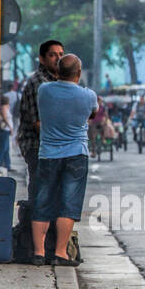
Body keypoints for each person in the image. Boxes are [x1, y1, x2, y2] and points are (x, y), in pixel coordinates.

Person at [31, 53, 96, 267]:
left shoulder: (44, 90)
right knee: (69, 205)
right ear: (78, 73)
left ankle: (38, 253)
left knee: (42, 201)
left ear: (57, 72)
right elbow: (92, 114)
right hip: (76, 154)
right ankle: (60, 253)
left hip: (48, 154)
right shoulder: (88, 96)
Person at [17, 39, 65, 225]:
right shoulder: (40, 83)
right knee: (41, 193)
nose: (58, 59)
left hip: (53, 146)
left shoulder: (57, 82)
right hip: (37, 146)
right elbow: (39, 124)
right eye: (53, 55)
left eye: (61, 55)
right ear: (42, 59)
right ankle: (37, 241)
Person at [0, 87, 13, 172]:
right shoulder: (4, 108)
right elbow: (5, 117)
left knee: (6, 148)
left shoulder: (5, 107)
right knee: (4, 148)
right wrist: (10, 127)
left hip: (6, 130)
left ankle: (7, 165)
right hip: (5, 130)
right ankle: (0, 163)